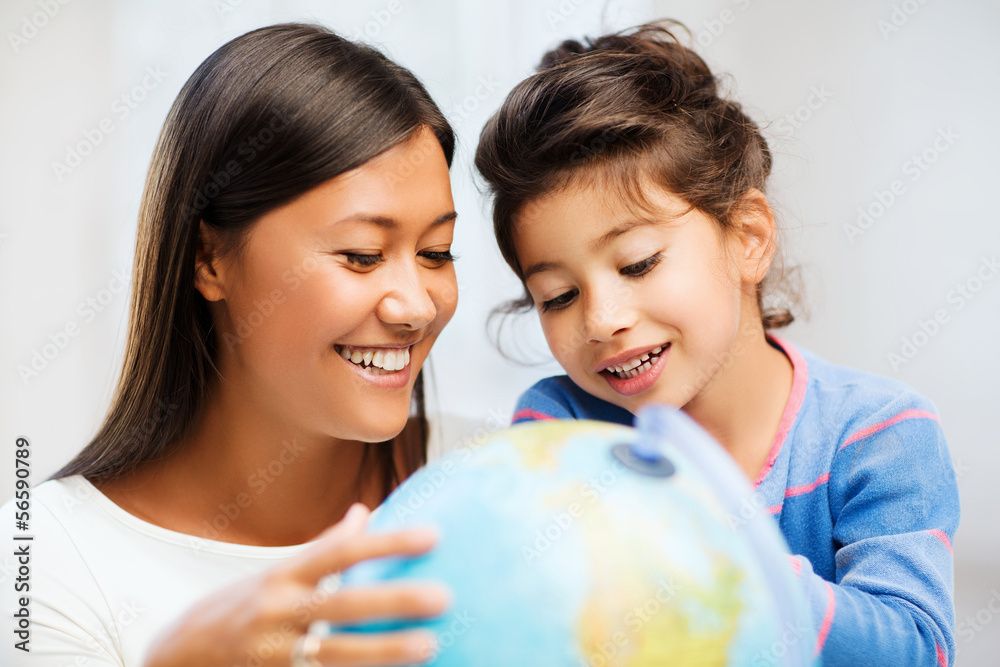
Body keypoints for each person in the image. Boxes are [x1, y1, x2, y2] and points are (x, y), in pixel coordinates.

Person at [475, 22, 960, 666]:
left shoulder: (880, 434)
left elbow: (914, 650)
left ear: (748, 238)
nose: (601, 320)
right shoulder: (560, 428)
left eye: (638, 263)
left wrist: (713, 551)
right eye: (558, 296)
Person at [1, 23, 461, 667]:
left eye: (436, 253)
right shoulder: (39, 559)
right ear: (210, 259)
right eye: (361, 256)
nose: (416, 307)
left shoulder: (509, 474)